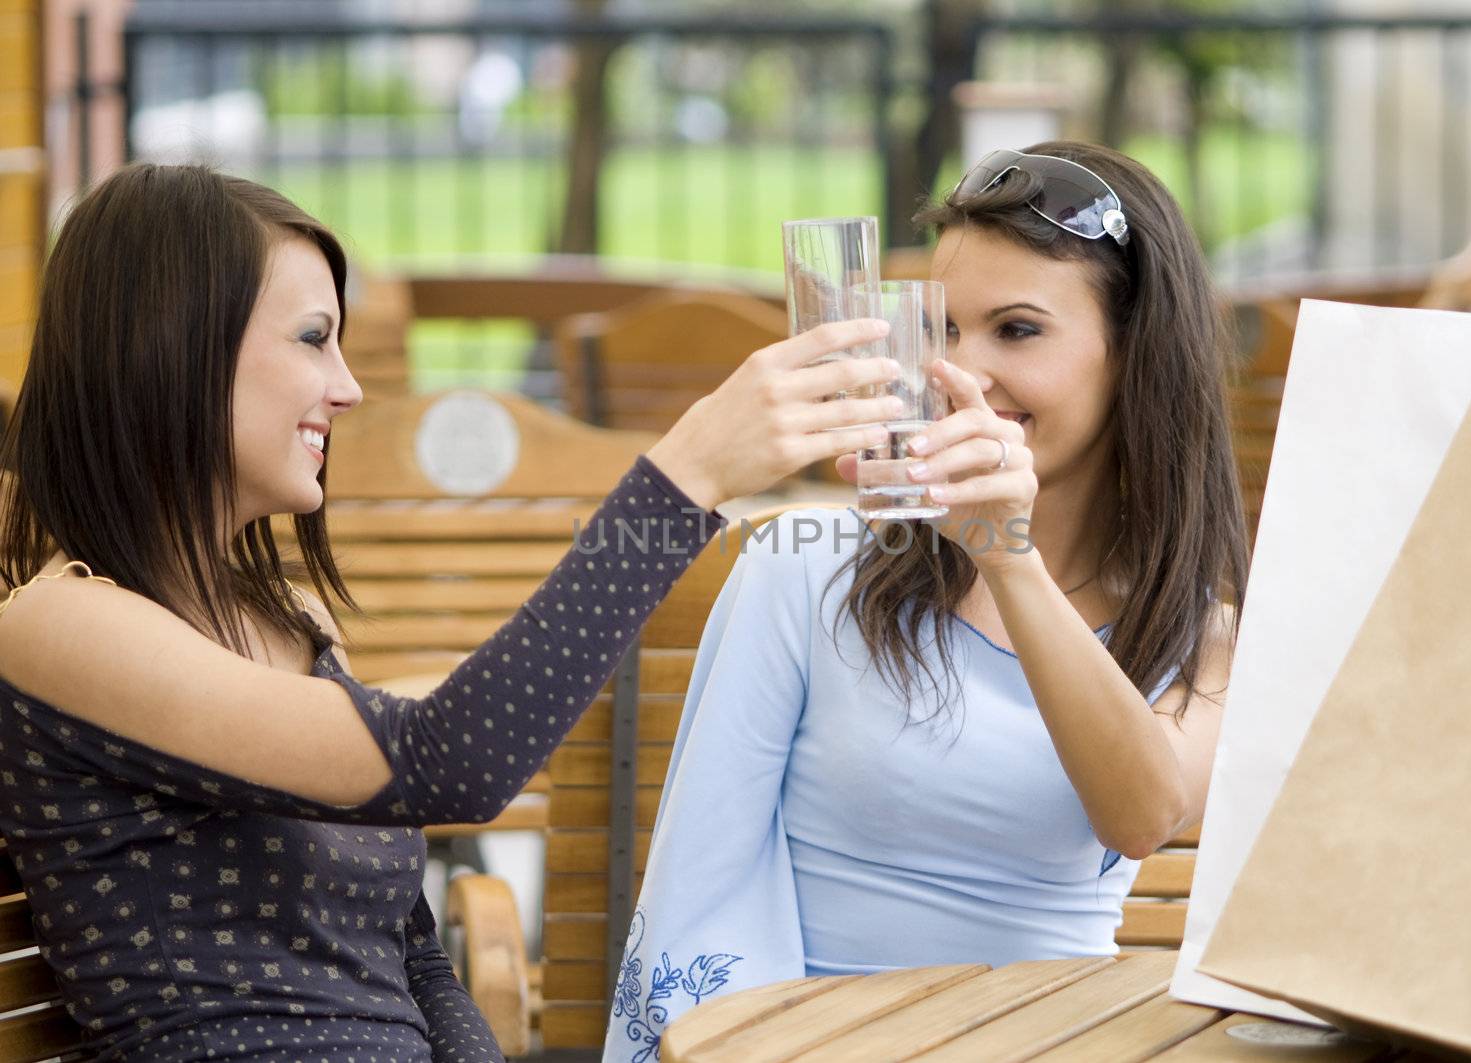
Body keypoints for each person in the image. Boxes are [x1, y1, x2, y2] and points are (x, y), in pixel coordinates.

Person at [0, 162, 907, 1062]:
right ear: (173, 345)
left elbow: (416, 958)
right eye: (313, 339)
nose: (349, 387)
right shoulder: (61, 626)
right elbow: (455, 762)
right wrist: (687, 478)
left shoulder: (295, 623)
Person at [604, 141, 1249, 1062]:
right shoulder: (805, 566)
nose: (960, 374)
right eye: (940, 329)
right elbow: (703, 896)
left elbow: (1141, 815)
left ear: (1134, 353)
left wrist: (1009, 560)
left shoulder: (1201, 631)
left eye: (1016, 330)